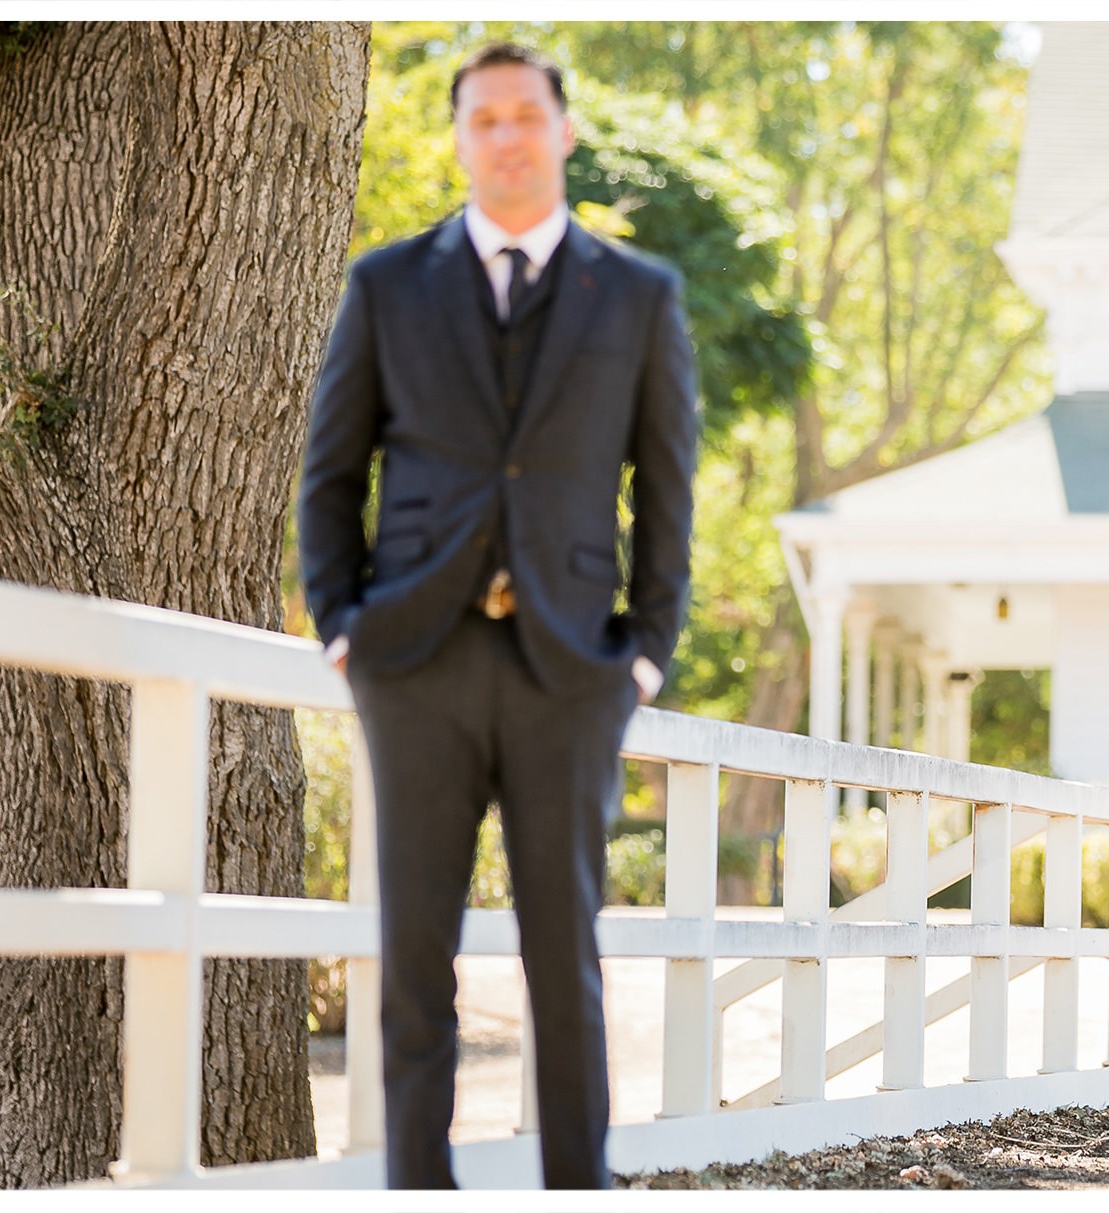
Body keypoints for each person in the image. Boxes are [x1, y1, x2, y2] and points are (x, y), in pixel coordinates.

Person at [296, 42, 699, 1189]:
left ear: (564, 131)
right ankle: (417, 1187)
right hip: (411, 662)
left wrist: (648, 654)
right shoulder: (387, 285)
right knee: (413, 953)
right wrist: (343, 623)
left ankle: (579, 1182)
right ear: (462, 138)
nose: (509, 136)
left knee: (563, 951)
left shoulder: (637, 295)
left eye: (528, 116)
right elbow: (329, 477)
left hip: (571, 668)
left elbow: (666, 489)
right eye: (486, 120)